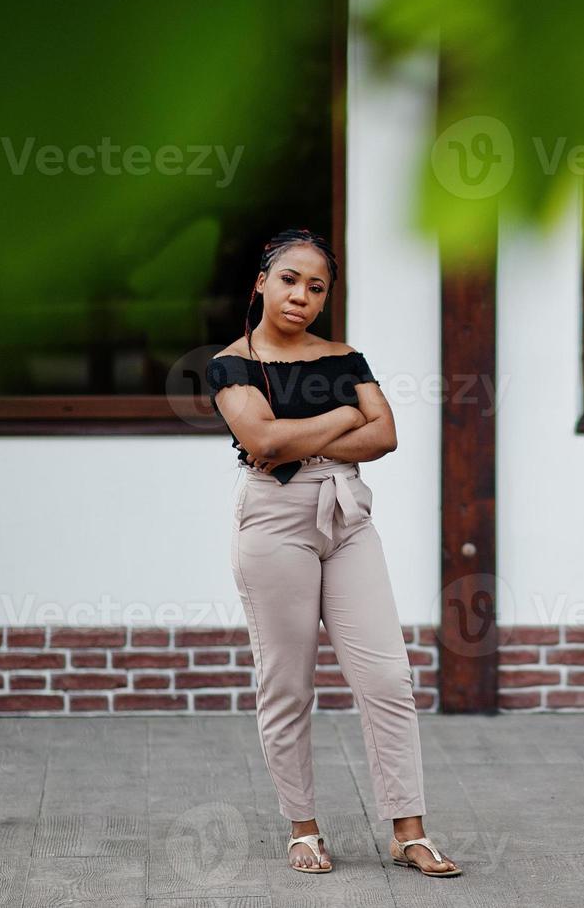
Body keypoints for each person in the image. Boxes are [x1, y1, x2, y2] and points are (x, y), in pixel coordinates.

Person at [206, 228, 460, 878]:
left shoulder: (345, 356)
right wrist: (346, 417)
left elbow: (388, 436)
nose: (301, 295)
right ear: (261, 281)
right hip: (273, 522)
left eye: (316, 287)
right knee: (287, 683)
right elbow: (261, 441)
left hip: (347, 516)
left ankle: (408, 830)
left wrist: (300, 437)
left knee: (387, 678)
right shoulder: (230, 365)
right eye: (289, 279)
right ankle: (303, 827)